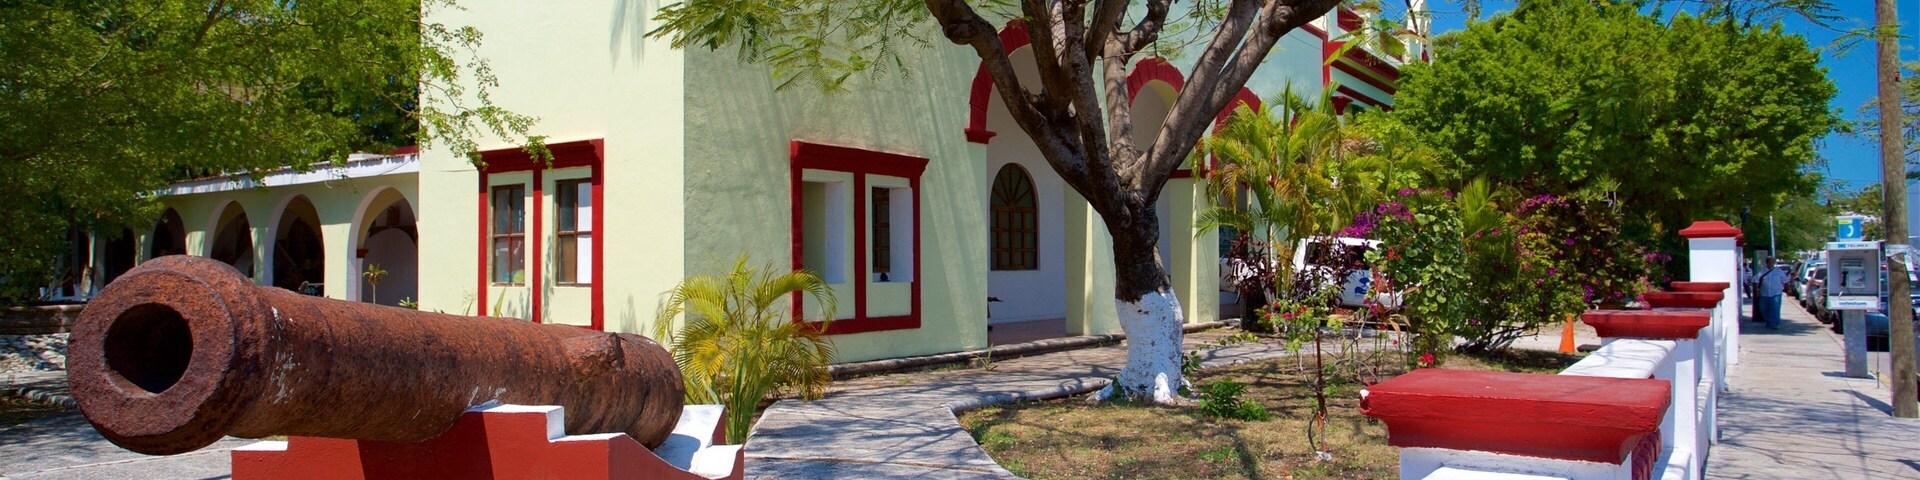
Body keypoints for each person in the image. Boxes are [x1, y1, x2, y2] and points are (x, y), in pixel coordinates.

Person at [1755, 259, 1791, 329]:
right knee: (1763, 309)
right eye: (1769, 262)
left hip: (1776, 293)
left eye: (1772, 262)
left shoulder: (1779, 271)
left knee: (1775, 308)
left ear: (1774, 263)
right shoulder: (1762, 271)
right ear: (1766, 263)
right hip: (1764, 293)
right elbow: (1755, 280)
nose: (1770, 263)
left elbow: (1786, 281)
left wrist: (1788, 290)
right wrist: (1757, 291)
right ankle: (1769, 321)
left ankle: (1774, 323)